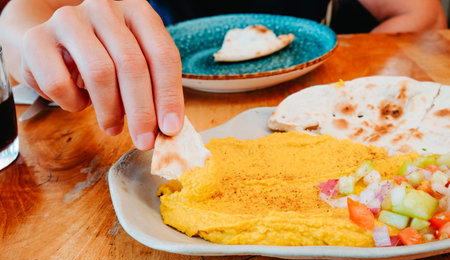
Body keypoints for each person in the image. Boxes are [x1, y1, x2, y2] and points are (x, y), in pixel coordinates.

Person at [0, 0, 447, 150]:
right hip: (156, 107)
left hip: (314, 90)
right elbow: (20, 18)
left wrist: (356, 101)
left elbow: (417, 14)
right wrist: (33, 46)